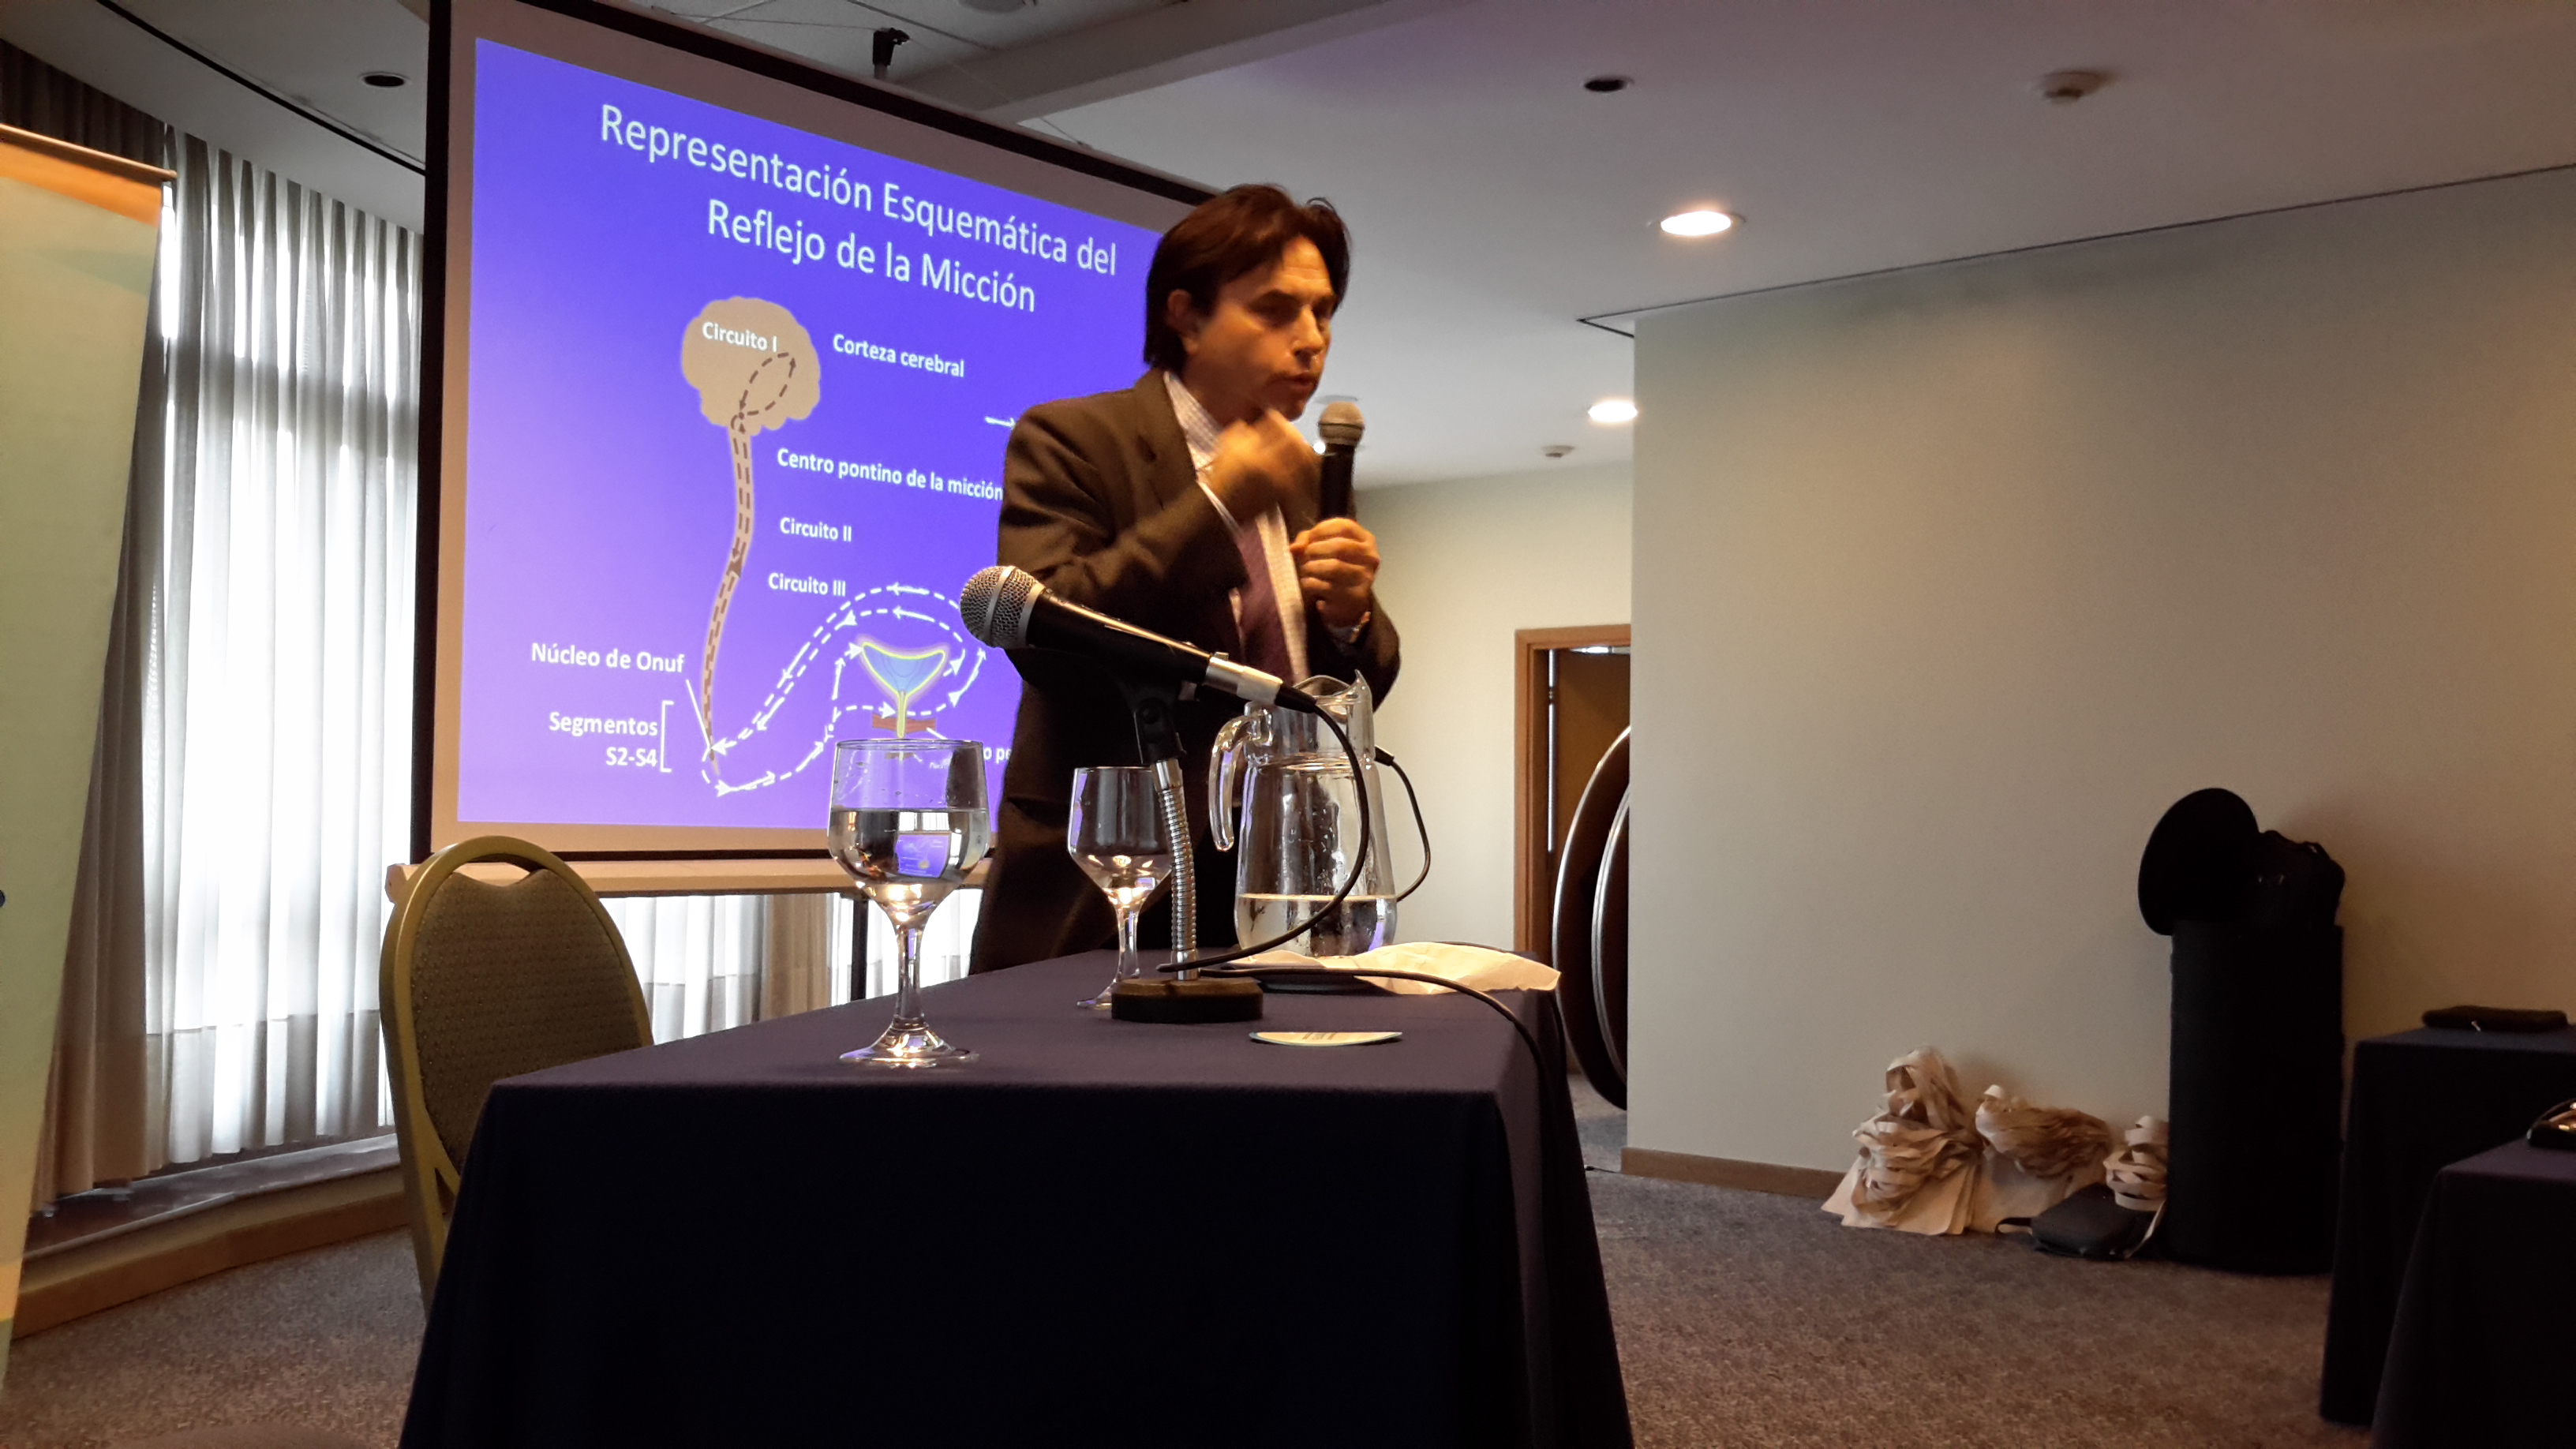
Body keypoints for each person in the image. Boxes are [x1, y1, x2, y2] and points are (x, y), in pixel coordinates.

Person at [972, 184, 1401, 972]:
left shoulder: (1307, 481)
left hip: (1284, 891)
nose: (1312, 339)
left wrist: (1352, 620)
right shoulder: (1072, 438)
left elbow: (1338, 686)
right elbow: (1048, 635)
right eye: (1276, 310)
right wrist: (1217, 504)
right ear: (1187, 318)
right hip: (1109, 891)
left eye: (1323, 312)